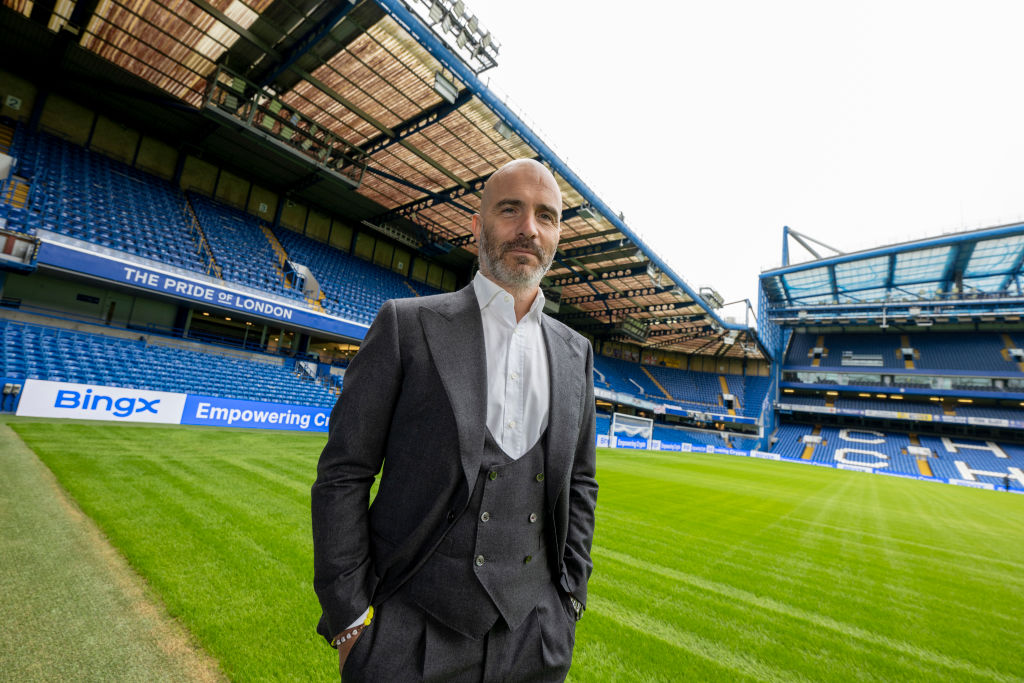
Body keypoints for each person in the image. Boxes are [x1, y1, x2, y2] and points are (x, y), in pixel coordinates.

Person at [312, 158, 598, 682]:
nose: (528, 228)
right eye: (510, 209)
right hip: (408, 633)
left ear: (558, 233)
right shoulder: (406, 325)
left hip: (535, 639)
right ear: (477, 225)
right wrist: (350, 617)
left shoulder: (575, 352)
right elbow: (343, 474)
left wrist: (570, 601)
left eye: (546, 216)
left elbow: (580, 483)